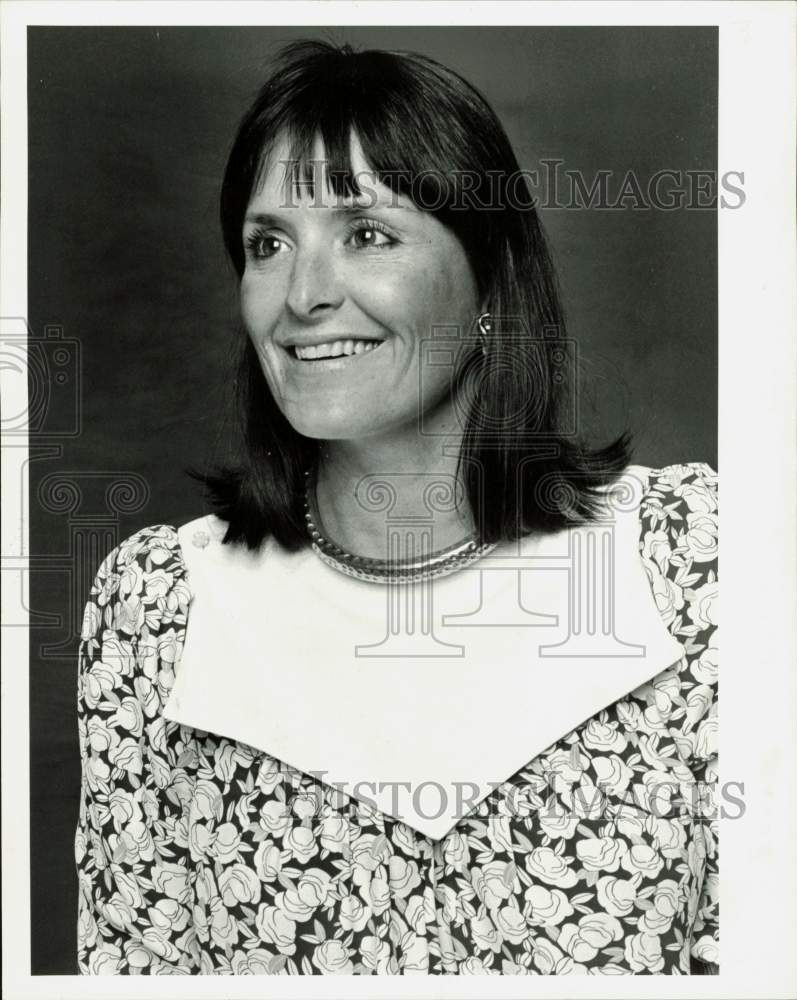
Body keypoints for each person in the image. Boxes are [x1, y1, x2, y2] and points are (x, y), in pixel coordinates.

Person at [75, 40, 718, 975]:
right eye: (268, 244)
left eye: (367, 235)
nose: (303, 296)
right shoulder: (157, 610)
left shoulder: (691, 561)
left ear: (491, 280)